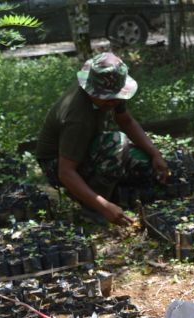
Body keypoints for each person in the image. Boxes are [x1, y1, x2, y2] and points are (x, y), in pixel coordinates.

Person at [35, 52, 169, 226]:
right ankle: (91, 208)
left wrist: (155, 154)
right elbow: (65, 172)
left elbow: (126, 121)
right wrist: (103, 207)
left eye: (115, 98)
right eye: (107, 99)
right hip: (55, 165)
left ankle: (111, 195)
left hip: (82, 149)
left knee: (141, 160)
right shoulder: (78, 118)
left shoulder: (110, 93)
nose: (112, 102)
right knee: (118, 143)